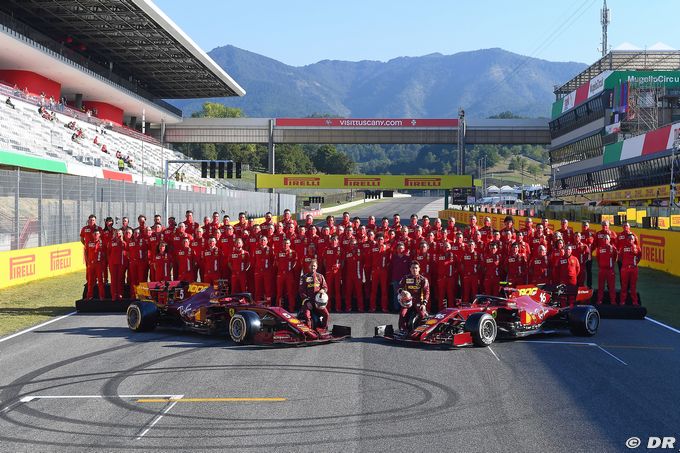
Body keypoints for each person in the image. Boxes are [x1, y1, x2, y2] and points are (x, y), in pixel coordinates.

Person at [397, 261, 430, 332]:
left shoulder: (423, 280)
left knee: (422, 315)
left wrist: (424, 304)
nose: (414, 269)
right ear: (410, 269)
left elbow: (426, 293)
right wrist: (402, 292)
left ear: (419, 269)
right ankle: (403, 330)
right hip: (408, 301)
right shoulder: (406, 278)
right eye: (413, 268)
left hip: (418, 301)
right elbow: (399, 287)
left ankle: (420, 330)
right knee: (402, 314)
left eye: (416, 268)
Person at [299, 260, 330, 329]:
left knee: (326, 314)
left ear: (316, 267)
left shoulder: (320, 276)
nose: (313, 267)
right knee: (307, 316)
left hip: (318, 302)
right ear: (309, 266)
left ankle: (324, 329)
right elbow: (301, 292)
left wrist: (323, 290)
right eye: (311, 266)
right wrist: (307, 301)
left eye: (314, 266)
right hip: (308, 301)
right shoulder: (304, 277)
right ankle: (309, 332)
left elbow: (325, 287)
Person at [370, 234, 391, 312]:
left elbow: (389, 260)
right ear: (376, 240)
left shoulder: (387, 248)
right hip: (375, 271)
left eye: (381, 239)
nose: (380, 241)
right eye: (378, 239)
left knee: (384, 290)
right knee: (373, 290)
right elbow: (370, 259)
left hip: (383, 271)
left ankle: (384, 307)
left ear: (384, 240)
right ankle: (372, 307)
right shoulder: (373, 248)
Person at [275, 238, 299, 311]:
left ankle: (291, 308)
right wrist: (281, 269)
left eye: (287, 243)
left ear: (290, 244)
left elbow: (295, 262)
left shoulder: (293, 252)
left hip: (289, 274)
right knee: (279, 292)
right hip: (280, 274)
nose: (286, 245)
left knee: (291, 292)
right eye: (284, 243)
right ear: (282, 244)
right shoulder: (279, 252)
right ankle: (278, 309)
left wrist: (289, 269)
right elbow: (276, 262)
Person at [619, 234, 641, 305]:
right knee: (624, 286)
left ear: (634, 240)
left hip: (634, 269)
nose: (631, 240)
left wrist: (634, 264)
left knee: (633, 286)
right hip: (625, 269)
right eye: (629, 239)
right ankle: (622, 301)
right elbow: (620, 257)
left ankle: (635, 301)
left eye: (632, 239)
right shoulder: (623, 247)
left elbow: (639, 256)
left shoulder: (637, 248)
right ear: (627, 239)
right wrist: (625, 264)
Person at [596, 234, 618, 305]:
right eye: (604, 239)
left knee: (612, 287)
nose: (606, 240)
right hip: (602, 270)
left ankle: (613, 301)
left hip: (610, 270)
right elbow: (598, 258)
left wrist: (610, 265)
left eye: (607, 239)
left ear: (609, 240)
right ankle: (599, 300)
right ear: (603, 240)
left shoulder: (613, 248)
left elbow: (615, 258)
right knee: (600, 287)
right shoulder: (599, 248)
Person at [343, 239, 364, 312]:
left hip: (358, 275)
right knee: (348, 292)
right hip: (349, 275)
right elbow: (344, 264)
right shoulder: (347, 252)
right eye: (351, 244)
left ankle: (360, 307)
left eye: (354, 244)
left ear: (357, 245)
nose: (353, 245)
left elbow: (364, 263)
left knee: (359, 292)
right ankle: (348, 307)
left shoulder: (360, 252)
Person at [253, 236, 274, 304]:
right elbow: (254, 261)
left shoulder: (270, 250)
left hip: (267, 272)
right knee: (258, 289)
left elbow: (273, 261)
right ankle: (257, 304)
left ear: (267, 241)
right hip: (258, 272)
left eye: (264, 240)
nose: (263, 242)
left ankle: (268, 303)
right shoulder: (256, 250)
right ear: (259, 241)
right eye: (261, 240)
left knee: (268, 289)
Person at [85, 230, 106, 299]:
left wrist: (103, 264)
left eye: (97, 234)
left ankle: (101, 296)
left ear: (99, 235)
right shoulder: (89, 243)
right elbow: (86, 253)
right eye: (94, 234)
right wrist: (88, 262)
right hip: (91, 264)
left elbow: (105, 254)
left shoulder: (102, 243)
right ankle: (89, 296)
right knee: (90, 281)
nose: (95, 235)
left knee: (100, 281)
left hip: (99, 264)